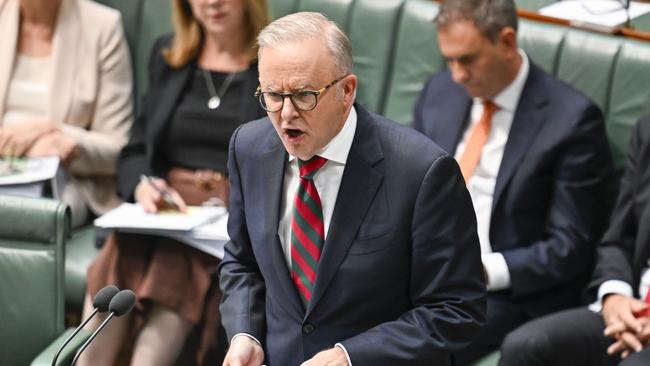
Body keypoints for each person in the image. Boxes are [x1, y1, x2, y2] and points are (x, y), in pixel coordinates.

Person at [219, 11, 486, 366]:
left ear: (346, 90)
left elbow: (456, 309)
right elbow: (242, 262)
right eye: (272, 95)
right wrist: (245, 333)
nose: (285, 114)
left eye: (303, 95)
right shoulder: (249, 148)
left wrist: (350, 357)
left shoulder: (421, 172)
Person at [412, 0, 615, 363]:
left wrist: (482, 270)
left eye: (468, 59)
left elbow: (569, 247)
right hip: (420, 265)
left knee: (404, 346)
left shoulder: (571, 121)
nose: (457, 74)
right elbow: (406, 185)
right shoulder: (440, 93)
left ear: (506, 42)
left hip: (499, 291)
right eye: (450, 60)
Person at [80, 0, 269, 365]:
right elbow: (135, 149)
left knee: (175, 261)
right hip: (164, 210)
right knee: (124, 248)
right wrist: (144, 185)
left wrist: (231, 198)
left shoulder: (270, 65)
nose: (212, 2)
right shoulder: (170, 56)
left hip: (226, 214)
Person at [499, 116, 650, 366]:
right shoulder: (646, 130)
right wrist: (615, 297)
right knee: (526, 346)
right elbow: (618, 239)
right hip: (632, 310)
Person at [0, 0, 133, 228]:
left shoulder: (102, 27)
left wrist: (55, 133)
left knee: (34, 215)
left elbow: (117, 150)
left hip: (64, 182)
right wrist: (31, 146)